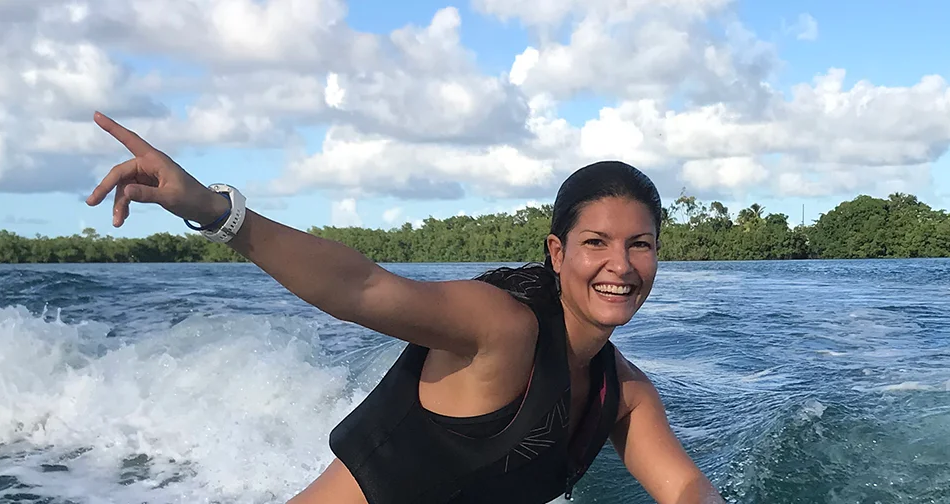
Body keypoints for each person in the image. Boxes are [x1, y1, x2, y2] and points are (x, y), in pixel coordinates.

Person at [84, 111, 726, 504]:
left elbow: (685, 488)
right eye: (597, 243)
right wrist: (213, 209)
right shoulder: (502, 328)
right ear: (557, 253)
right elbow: (362, 287)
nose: (621, 265)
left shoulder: (626, 394)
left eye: (640, 245)